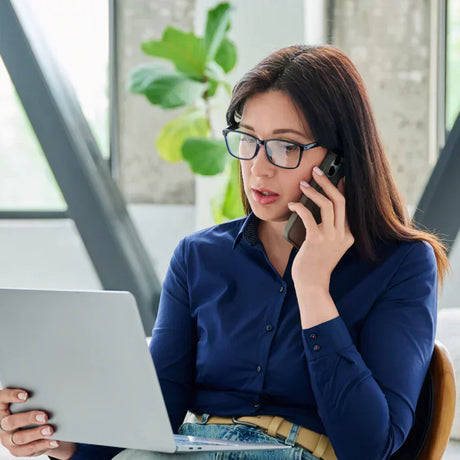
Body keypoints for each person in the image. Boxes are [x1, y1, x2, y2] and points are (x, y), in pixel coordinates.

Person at [0, 44, 451, 460]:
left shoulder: (401, 264)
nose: (257, 166)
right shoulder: (199, 257)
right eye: (249, 138)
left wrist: (313, 287)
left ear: (340, 160)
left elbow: (369, 448)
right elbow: (156, 414)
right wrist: (57, 438)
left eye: (286, 146)